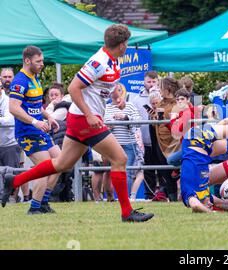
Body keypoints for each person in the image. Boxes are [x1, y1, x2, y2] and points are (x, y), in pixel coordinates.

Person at [2, 24, 154, 222]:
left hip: (80, 118)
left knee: (62, 164)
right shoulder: (99, 62)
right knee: (120, 159)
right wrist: (90, 115)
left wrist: (117, 96)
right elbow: (74, 87)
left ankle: (14, 180)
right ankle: (127, 213)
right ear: (123, 45)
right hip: (84, 120)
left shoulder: (113, 60)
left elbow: (102, 87)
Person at [7, 46, 62, 215]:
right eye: (38, 61)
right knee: (44, 167)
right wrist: (35, 122)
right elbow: (13, 108)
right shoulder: (20, 81)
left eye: (42, 60)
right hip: (27, 132)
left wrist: (48, 116)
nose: (42, 64)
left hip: (38, 130)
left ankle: (43, 202)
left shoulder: (35, 78)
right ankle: (34, 207)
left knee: (61, 162)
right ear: (27, 61)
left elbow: (36, 106)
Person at [104, 83, 142, 193]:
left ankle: (127, 198)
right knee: (113, 171)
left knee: (127, 171)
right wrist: (109, 126)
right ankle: (113, 197)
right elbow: (102, 124)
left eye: (119, 90)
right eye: (114, 91)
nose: (116, 93)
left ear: (123, 92)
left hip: (129, 145)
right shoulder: (107, 107)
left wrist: (126, 117)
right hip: (113, 145)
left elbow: (138, 122)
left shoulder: (130, 106)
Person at [131, 71, 159, 199]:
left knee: (163, 167)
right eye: (149, 81)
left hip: (160, 140)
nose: (151, 84)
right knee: (147, 169)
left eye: (154, 81)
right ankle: (149, 195)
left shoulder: (163, 97)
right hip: (144, 139)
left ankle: (165, 194)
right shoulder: (137, 99)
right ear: (144, 82)